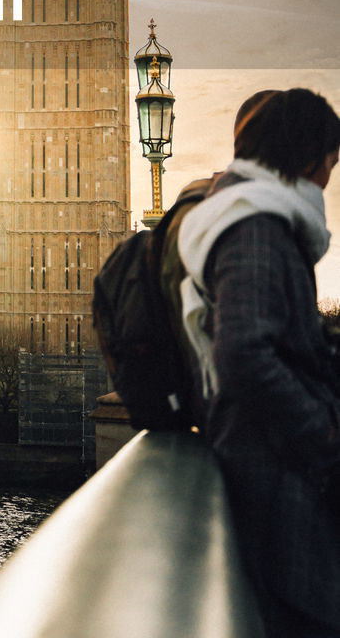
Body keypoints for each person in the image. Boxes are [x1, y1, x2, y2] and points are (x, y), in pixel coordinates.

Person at [178, 87, 340, 638]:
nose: (328, 180)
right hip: (275, 472)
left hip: (274, 463)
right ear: (307, 158)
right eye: (330, 163)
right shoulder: (256, 224)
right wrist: (324, 434)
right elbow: (244, 353)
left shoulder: (259, 217)